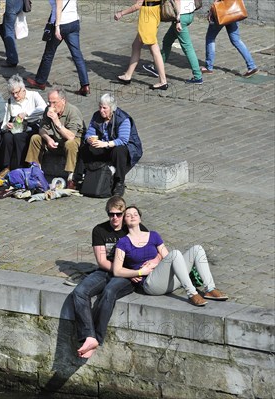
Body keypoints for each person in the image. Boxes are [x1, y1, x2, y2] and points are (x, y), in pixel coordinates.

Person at [72, 196, 152, 359]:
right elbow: (101, 261)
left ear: (124, 213)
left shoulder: (135, 228)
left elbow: (152, 252)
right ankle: (89, 337)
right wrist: (117, 269)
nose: (115, 218)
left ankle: (97, 338)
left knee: (109, 292)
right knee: (79, 292)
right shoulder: (99, 230)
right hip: (106, 271)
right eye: (111, 214)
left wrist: (137, 271)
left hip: (128, 274)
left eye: (118, 214)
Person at [112, 206, 229, 307]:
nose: (132, 216)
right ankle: (192, 293)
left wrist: (156, 262)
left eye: (135, 214)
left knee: (197, 249)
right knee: (176, 253)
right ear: (124, 220)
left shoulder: (153, 235)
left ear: (140, 218)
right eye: (128, 215)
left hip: (169, 279)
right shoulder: (123, 242)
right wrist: (139, 272)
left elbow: (167, 257)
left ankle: (210, 289)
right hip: (151, 284)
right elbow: (117, 271)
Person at [80, 93, 143, 197]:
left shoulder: (123, 118)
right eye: (100, 107)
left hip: (126, 148)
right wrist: (90, 140)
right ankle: (85, 176)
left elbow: (123, 140)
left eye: (105, 108)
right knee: (85, 148)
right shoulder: (97, 116)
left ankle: (119, 182)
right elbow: (89, 133)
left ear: (112, 108)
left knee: (119, 150)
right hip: (105, 146)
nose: (101, 110)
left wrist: (105, 144)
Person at [26, 0, 90, 96]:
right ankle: (85, 85)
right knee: (77, 55)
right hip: (74, 22)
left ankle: (40, 81)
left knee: (49, 54)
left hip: (62, 24)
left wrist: (57, 27)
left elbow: (59, 7)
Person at [24, 87, 84, 189]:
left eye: (54, 103)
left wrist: (56, 121)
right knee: (35, 138)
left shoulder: (73, 112)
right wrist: (48, 138)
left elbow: (71, 136)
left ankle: (71, 178)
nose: (52, 106)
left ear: (63, 101)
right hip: (58, 139)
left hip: (73, 140)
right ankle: (34, 171)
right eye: (49, 102)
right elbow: (42, 129)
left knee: (70, 143)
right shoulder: (49, 110)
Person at [142, 0, 204, 85]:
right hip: (189, 14)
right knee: (167, 41)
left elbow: (177, 1)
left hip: (181, 17)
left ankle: (198, 76)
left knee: (187, 47)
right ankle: (157, 68)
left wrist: (178, 21)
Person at [0, 74, 46, 175]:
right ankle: (6, 167)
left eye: (17, 92)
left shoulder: (34, 95)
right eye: (12, 93)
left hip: (32, 126)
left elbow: (44, 108)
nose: (15, 96)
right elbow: (4, 124)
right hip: (17, 128)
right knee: (7, 137)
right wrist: (8, 126)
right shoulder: (10, 102)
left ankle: (20, 168)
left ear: (23, 89)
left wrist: (27, 113)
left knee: (19, 137)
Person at [114, 1, 168, 90]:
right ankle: (128, 75)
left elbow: (138, 5)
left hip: (147, 16)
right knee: (136, 45)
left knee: (154, 49)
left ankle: (163, 81)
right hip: (155, 12)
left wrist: (121, 13)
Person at [202, 2, 259, 77]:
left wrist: (211, 11)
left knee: (210, 38)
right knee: (237, 40)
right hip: (233, 11)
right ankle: (252, 66)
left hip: (221, 12)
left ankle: (209, 67)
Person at [0, 0, 23, 67]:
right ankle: (11, 52)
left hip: (9, 3)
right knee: (1, 26)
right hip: (15, 3)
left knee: (8, 30)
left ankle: (12, 59)